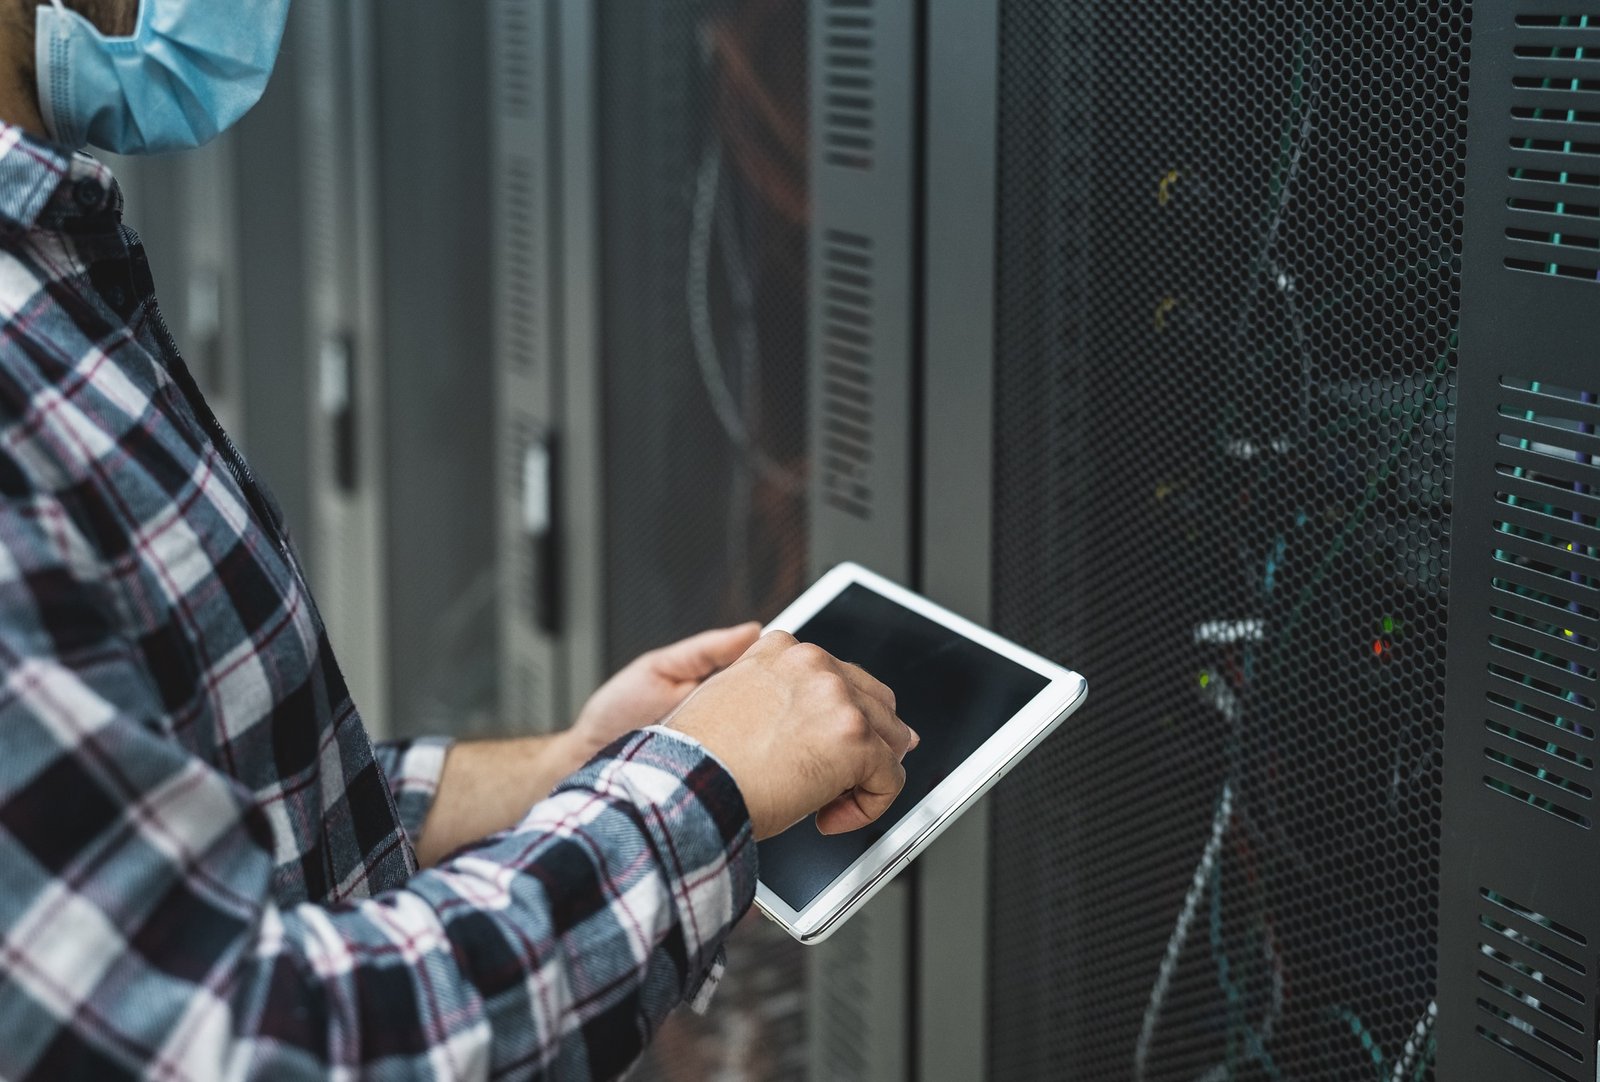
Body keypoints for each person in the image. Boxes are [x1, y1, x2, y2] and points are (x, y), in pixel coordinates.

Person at [0, 1, 917, 1078]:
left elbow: (208, 807)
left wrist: (577, 763)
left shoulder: (48, 285)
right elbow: (237, 1042)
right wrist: (697, 780)